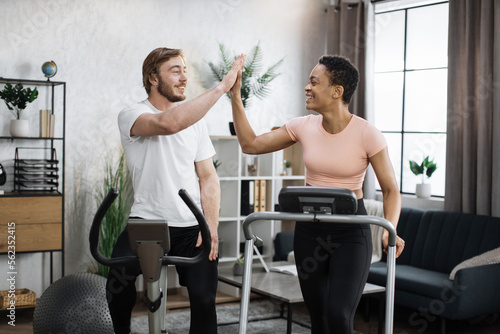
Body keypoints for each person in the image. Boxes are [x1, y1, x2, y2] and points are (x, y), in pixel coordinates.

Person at [230, 54, 405, 334]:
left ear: (337, 91)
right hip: (310, 231)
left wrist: (389, 229)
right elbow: (250, 145)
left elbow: (390, 190)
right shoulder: (303, 126)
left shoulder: (367, 134)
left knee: (338, 316)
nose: (306, 88)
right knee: (319, 318)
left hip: (351, 232)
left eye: (314, 82)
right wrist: (235, 96)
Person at [108, 47, 245, 334]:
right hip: (146, 222)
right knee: (117, 287)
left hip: (191, 228)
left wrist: (211, 226)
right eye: (175, 71)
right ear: (153, 78)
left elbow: (208, 177)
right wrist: (222, 87)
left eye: (185, 71)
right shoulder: (133, 113)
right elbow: (169, 124)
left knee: (204, 298)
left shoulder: (197, 123)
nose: (184, 78)